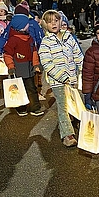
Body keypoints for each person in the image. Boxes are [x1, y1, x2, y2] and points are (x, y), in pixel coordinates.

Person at [38, 10, 83, 145]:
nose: (53, 24)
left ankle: (76, 122)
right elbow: (47, 64)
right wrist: (63, 77)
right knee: (62, 105)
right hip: (58, 81)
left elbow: (77, 55)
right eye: (50, 21)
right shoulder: (46, 43)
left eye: (56, 21)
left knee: (75, 102)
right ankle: (67, 134)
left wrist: (83, 69)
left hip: (72, 78)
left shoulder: (68, 37)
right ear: (45, 24)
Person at [3, 14, 44, 117]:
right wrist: (11, 67)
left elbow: (34, 52)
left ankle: (35, 107)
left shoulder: (29, 38)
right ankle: (21, 108)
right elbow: (7, 54)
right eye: (27, 24)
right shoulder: (13, 40)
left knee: (32, 88)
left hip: (29, 69)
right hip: (18, 69)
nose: (28, 25)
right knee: (19, 89)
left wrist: (36, 64)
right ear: (21, 26)